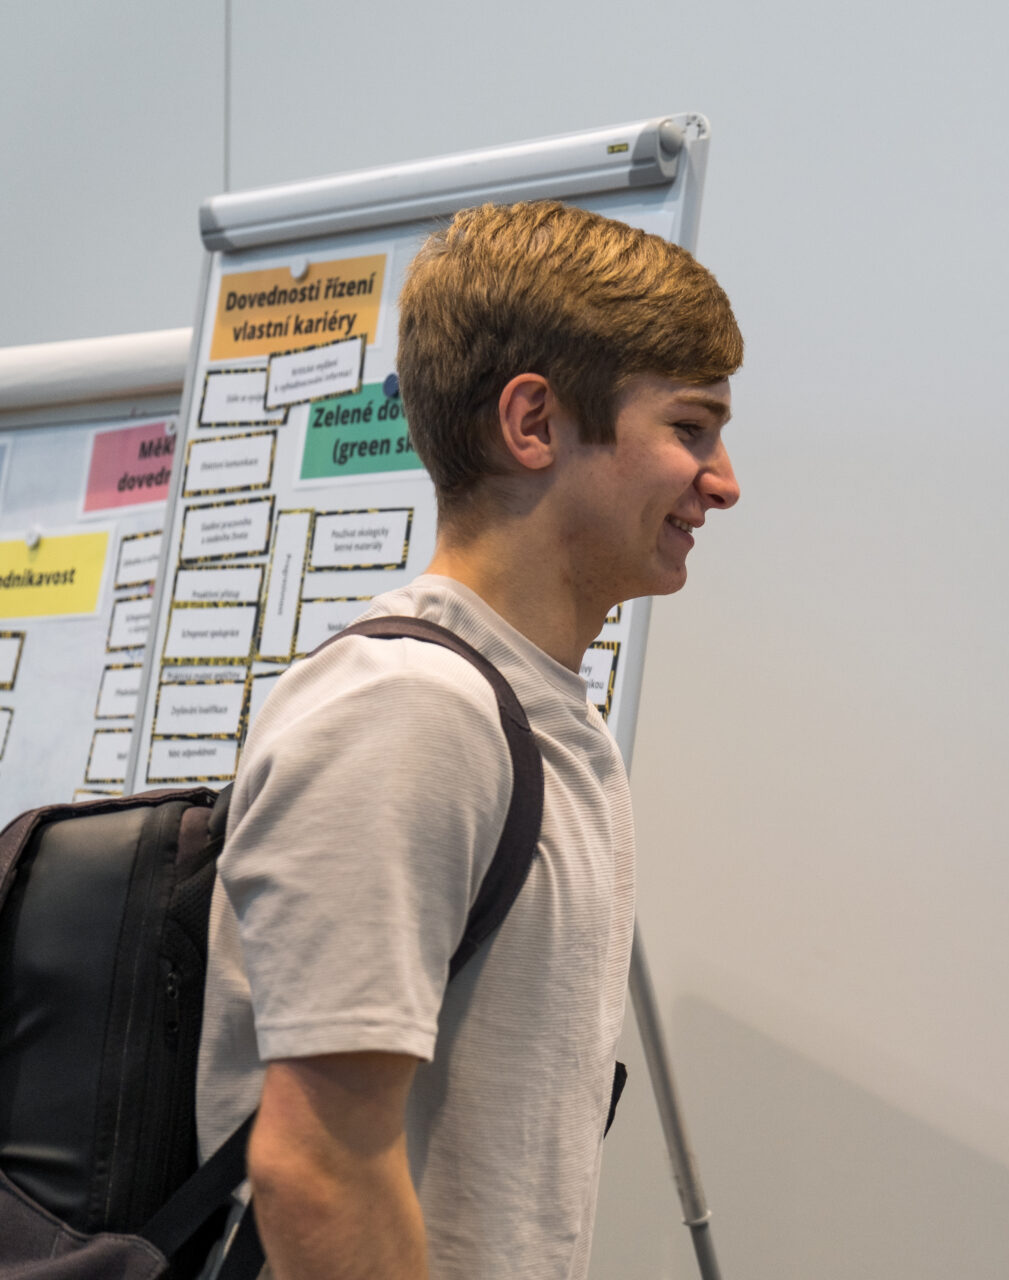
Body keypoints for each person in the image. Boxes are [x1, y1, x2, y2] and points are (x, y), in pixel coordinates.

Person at [195, 200, 743, 1280]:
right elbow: (317, 1168)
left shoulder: (536, 715)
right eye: (690, 428)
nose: (723, 480)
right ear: (532, 423)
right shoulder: (410, 714)